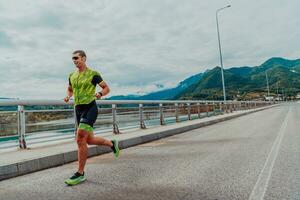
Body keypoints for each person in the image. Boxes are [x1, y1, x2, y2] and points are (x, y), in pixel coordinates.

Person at [64, 50, 120, 186]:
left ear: (84, 58)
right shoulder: (71, 75)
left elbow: (107, 88)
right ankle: (112, 144)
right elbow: (70, 89)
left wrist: (100, 93)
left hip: (90, 107)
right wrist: (68, 96)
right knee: (89, 140)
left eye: (76, 58)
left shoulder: (93, 74)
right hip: (78, 109)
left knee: (80, 137)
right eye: (73, 59)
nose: (74, 60)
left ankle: (80, 173)